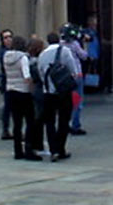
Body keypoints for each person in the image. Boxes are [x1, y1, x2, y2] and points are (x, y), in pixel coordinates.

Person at [3, 36, 43, 161]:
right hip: (23, 92)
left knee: (17, 122)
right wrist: (31, 89)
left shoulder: (6, 56)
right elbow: (26, 76)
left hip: (10, 90)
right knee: (30, 121)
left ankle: (17, 151)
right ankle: (29, 150)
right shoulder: (23, 58)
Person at [38, 32, 74, 162]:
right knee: (64, 121)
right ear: (58, 40)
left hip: (48, 92)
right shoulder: (65, 51)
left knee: (50, 122)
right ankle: (61, 148)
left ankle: (53, 150)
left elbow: (41, 73)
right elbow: (73, 70)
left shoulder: (42, 55)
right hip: (63, 92)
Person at [58, 23, 89, 135]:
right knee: (77, 101)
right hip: (77, 75)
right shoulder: (75, 44)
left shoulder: (60, 45)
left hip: (64, 76)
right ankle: (75, 125)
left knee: (65, 101)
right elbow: (84, 56)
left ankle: (65, 124)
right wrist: (85, 44)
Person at [26, 37, 47, 156]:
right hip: (38, 91)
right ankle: (34, 145)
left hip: (31, 91)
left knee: (36, 119)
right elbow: (39, 77)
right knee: (38, 119)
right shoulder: (36, 62)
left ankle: (36, 144)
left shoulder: (28, 60)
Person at [0, 29, 14, 140]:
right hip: (7, 82)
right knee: (7, 107)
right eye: (5, 38)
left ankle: (8, 130)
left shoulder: (13, 50)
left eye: (10, 37)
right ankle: (5, 130)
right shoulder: (2, 52)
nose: (8, 39)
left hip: (12, 81)